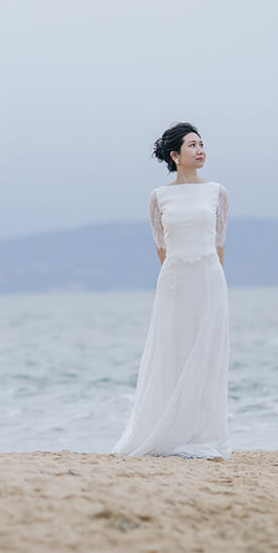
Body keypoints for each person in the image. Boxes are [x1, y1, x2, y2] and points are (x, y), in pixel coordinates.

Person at [111, 122, 231, 460]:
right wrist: (177, 273)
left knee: (207, 354)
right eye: (192, 145)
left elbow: (219, 242)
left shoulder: (217, 192)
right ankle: (167, 429)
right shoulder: (159, 196)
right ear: (175, 155)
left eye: (202, 143)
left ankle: (201, 433)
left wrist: (211, 276)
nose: (200, 149)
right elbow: (161, 245)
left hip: (209, 278)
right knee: (173, 351)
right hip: (175, 280)